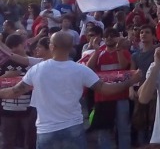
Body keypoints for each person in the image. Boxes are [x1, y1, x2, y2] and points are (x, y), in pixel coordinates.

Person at [0, 31, 142, 148]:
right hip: (73, 127)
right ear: (70, 48)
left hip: (46, 130)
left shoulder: (37, 69)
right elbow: (106, 89)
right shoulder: (81, 70)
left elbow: (14, 92)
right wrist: (130, 81)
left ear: (52, 46)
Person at [86, 28, 133, 149]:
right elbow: (88, 67)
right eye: (107, 36)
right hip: (103, 98)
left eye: (113, 35)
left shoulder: (124, 52)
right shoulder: (99, 53)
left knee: (123, 129)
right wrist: (96, 50)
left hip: (121, 96)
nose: (109, 38)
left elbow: (123, 66)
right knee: (103, 131)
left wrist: (119, 49)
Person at [2, 34, 35, 149]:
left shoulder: (32, 62)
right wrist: (5, 76)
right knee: (7, 142)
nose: (14, 49)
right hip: (7, 110)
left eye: (16, 46)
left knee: (29, 142)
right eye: (10, 47)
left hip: (29, 110)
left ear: (23, 44)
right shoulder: (4, 63)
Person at [130, 25, 157, 146]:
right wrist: (131, 89)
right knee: (140, 123)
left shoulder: (158, 51)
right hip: (140, 92)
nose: (143, 34)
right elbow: (131, 74)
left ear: (153, 36)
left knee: (154, 122)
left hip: (156, 91)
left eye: (147, 32)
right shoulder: (135, 55)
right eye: (141, 32)